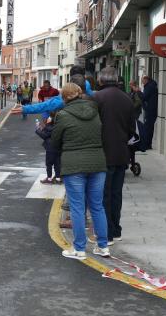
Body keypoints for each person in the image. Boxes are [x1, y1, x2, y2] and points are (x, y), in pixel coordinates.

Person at [51, 83, 110, 260]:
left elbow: (55, 141)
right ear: (79, 94)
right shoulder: (95, 110)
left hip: (74, 164)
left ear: (64, 98)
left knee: (78, 207)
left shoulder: (63, 115)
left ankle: (79, 249)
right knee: (97, 206)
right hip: (97, 162)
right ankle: (103, 246)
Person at [93, 67, 135, 245]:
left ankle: (107, 234)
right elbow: (132, 128)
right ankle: (116, 230)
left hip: (103, 153)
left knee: (104, 195)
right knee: (117, 193)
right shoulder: (126, 98)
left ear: (101, 80)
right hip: (122, 153)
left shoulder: (97, 98)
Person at [35, 112, 61, 184]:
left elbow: (44, 135)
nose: (47, 119)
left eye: (49, 117)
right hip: (58, 147)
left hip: (50, 148)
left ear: (52, 119)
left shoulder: (50, 127)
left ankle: (49, 179)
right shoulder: (58, 126)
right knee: (57, 163)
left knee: (49, 163)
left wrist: (37, 129)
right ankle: (58, 179)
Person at [141, 75, 158, 149]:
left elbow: (144, 97)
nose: (142, 83)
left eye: (142, 81)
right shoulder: (152, 85)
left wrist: (139, 92)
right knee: (149, 127)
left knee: (147, 128)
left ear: (146, 80)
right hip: (152, 109)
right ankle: (148, 144)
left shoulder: (149, 87)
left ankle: (147, 144)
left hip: (150, 110)